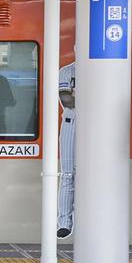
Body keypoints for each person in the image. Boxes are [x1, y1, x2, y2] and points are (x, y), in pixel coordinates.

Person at [57, 62, 76, 238]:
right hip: (72, 124)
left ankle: (86, 219)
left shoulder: (102, 68)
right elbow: (67, 100)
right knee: (68, 175)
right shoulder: (66, 72)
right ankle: (64, 223)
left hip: (97, 126)